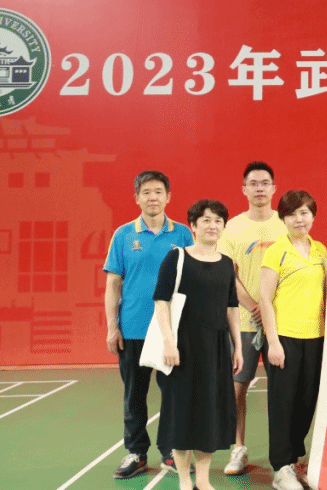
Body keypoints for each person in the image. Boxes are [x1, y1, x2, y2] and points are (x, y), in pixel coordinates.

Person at [103, 170, 193, 478]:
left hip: (172, 332)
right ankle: (136, 452)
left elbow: (192, 280)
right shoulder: (123, 235)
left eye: (158, 192)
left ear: (168, 197)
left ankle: (170, 451)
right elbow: (113, 284)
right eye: (146, 192)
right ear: (137, 198)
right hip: (133, 329)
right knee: (134, 395)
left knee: (173, 394)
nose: (152, 197)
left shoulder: (183, 234)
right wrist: (112, 327)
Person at [153, 200, 241, 490]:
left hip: (216, 349)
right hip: (183, 349)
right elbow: (161, 302)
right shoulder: (176, 257)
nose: (212, 226)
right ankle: (183, 481)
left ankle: (202, 480)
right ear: (193, 225)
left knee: (209, 415)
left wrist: (238, 347)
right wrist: (169, 342)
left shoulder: (227, 264)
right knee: (181, 415)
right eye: (206, 220)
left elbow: (231, 308)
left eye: (218, 221)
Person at [219, 161, 287, 475]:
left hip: (281, 323)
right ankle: (238, 449)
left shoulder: (285, 223)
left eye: (265, 183)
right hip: (244, 323)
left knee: (282, 391)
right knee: (237, 388)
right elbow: (227, 274)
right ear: (244, 189)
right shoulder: (232, 227)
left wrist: (269, 308)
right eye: (253, 183)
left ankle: (284, 454)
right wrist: (254, 306)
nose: (259, 188)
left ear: (274, 189)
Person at [259, 190, 327, 490]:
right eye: (292, 214)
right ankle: (280, 468)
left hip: (316, 338)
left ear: (313, 216)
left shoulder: (321, 251)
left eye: (304, 213)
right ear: (283, 219)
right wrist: (273, 342)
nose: (299, 219)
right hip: (285, 337)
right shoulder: (277, 251)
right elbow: (264, 298)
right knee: (283, 404)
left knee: (307, 402)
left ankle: (295, 460)